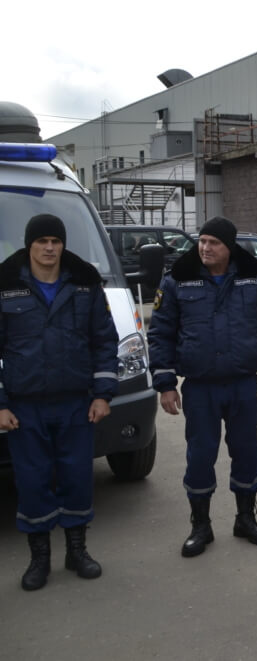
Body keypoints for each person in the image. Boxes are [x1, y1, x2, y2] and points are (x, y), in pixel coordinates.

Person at [149, 216, 257, 557]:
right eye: (202, 241)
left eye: (214, 243)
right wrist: (166, 384)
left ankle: (245, 518)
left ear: (229, 248)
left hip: (241, 384)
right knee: (200, 456)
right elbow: (161, 334)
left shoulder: (255, 279)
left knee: (246, 452)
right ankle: (200, 525)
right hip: (200, 387)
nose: (205, 248)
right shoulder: (177, 280)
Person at [0, 214, 118, 590]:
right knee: (33, 481)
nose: (49, 248)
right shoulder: (5, 286)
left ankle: (77, 550)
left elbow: (104, 341)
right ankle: (39, 559)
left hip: (75, 403)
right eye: (42, 241)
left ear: (63, 244)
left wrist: (103, 394)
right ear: (29, 245)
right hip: (24, 406)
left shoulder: (85, 285)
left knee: (77, 477)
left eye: (55, 240)